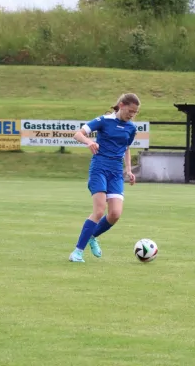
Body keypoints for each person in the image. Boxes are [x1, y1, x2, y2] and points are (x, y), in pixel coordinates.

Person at [69, 93, 140, 263]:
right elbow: (77, 134)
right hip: (99, 168)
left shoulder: (131, 128)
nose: (132, 115)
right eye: (130, 111)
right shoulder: (103, 120)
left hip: (116, 172)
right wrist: (89, 142)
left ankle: (92, 236)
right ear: (121, 105)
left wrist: (129, 170)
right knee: (99, 211)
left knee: (115, 214)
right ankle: (77, 252)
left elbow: (126, 148)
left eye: (135, 113)